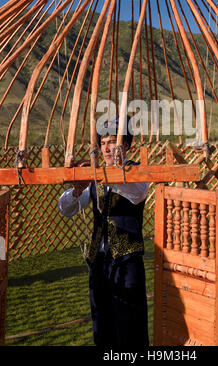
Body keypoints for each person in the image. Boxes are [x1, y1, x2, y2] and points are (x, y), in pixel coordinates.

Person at [58, 116, 150, 348]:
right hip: (99, 263)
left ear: (126, 146)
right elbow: (66, 209)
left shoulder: (138, 172)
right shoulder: (95, 175)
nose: (107, 148)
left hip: (127, 260)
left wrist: (103, 174)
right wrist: (78, 191)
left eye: (113, 142)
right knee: (102, 323)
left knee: (130, 326)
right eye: (103, 143)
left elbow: (135, 194)